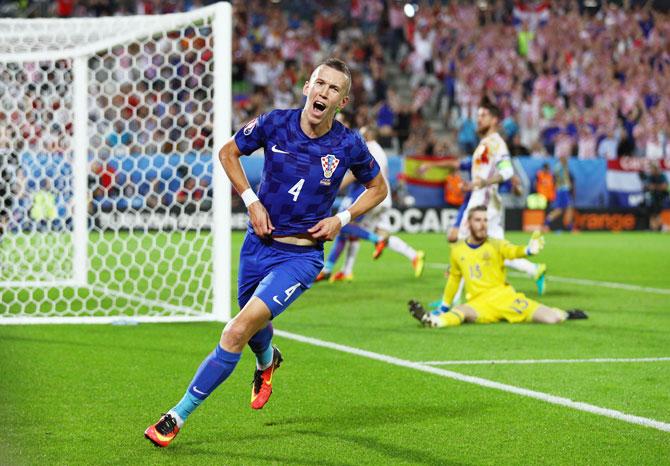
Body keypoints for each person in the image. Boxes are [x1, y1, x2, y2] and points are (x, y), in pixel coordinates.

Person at [144, 58, 387, 448]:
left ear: (342, 101)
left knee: (237, 328)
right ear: (307, 87)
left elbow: (378, 188)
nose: (323, 92)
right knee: (251, 324)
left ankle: (176, 416)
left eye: (333, 89)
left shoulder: (347, 144)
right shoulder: (275, 123)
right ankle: (267, 360)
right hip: (257, 246)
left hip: (301, 257)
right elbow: (227, 153)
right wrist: (251, 200)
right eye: (319, 84)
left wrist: (342, 218)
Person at [421, 98, 547, 295]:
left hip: (484, 201)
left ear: (495, 120)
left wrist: (481, 183)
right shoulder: (484, 145)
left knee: (462, 243)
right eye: (478, 115)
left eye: (484, 116)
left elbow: (506, 172)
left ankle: (452, 301)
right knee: (495, 248)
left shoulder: (497, 144)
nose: (479, 119)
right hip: (485, 200)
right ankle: (534, 269)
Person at [408, 205, 587, 328]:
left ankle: (567, 314)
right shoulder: (457, 250)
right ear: (468, 223)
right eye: (478, 220)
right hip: (479, 303)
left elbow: (513, 251)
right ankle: (433, 321)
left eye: (485, 220)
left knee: (552, 319)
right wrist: (445, 305)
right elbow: (454, 279)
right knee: (461, 311)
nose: (483, 224)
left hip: (506, 299)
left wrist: (529, 250)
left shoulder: (496, 244)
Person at [316, 125, 425, 282]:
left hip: (373, 194)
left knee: (346, 225)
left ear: (368, 135)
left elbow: (357, 174)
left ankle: (339, 265)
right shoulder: (379, 150)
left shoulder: (368, 148)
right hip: (382, 196)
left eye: (362, 133)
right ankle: (414, 255)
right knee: (363, 232)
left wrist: (335, 187)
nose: (359, 136)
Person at [543, 155, 575, 232]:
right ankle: (546, 224)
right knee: (563, 209)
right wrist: (568, 184)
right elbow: (561, 178)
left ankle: (547, 224)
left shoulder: (559, 167)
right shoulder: (560, 167)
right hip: (562, 190)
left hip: (562, 190)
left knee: (564, 209)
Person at [642, 163, 668, 232]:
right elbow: (647, 186)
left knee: (658, 214)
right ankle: (653, 228)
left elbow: (664, 187)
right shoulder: (650, 177)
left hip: (661, 198)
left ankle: (661, 227)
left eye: (652, 169)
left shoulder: (662, 176)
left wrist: (655, 187)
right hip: (653, 199)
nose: (651, 170)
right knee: (652, 214)